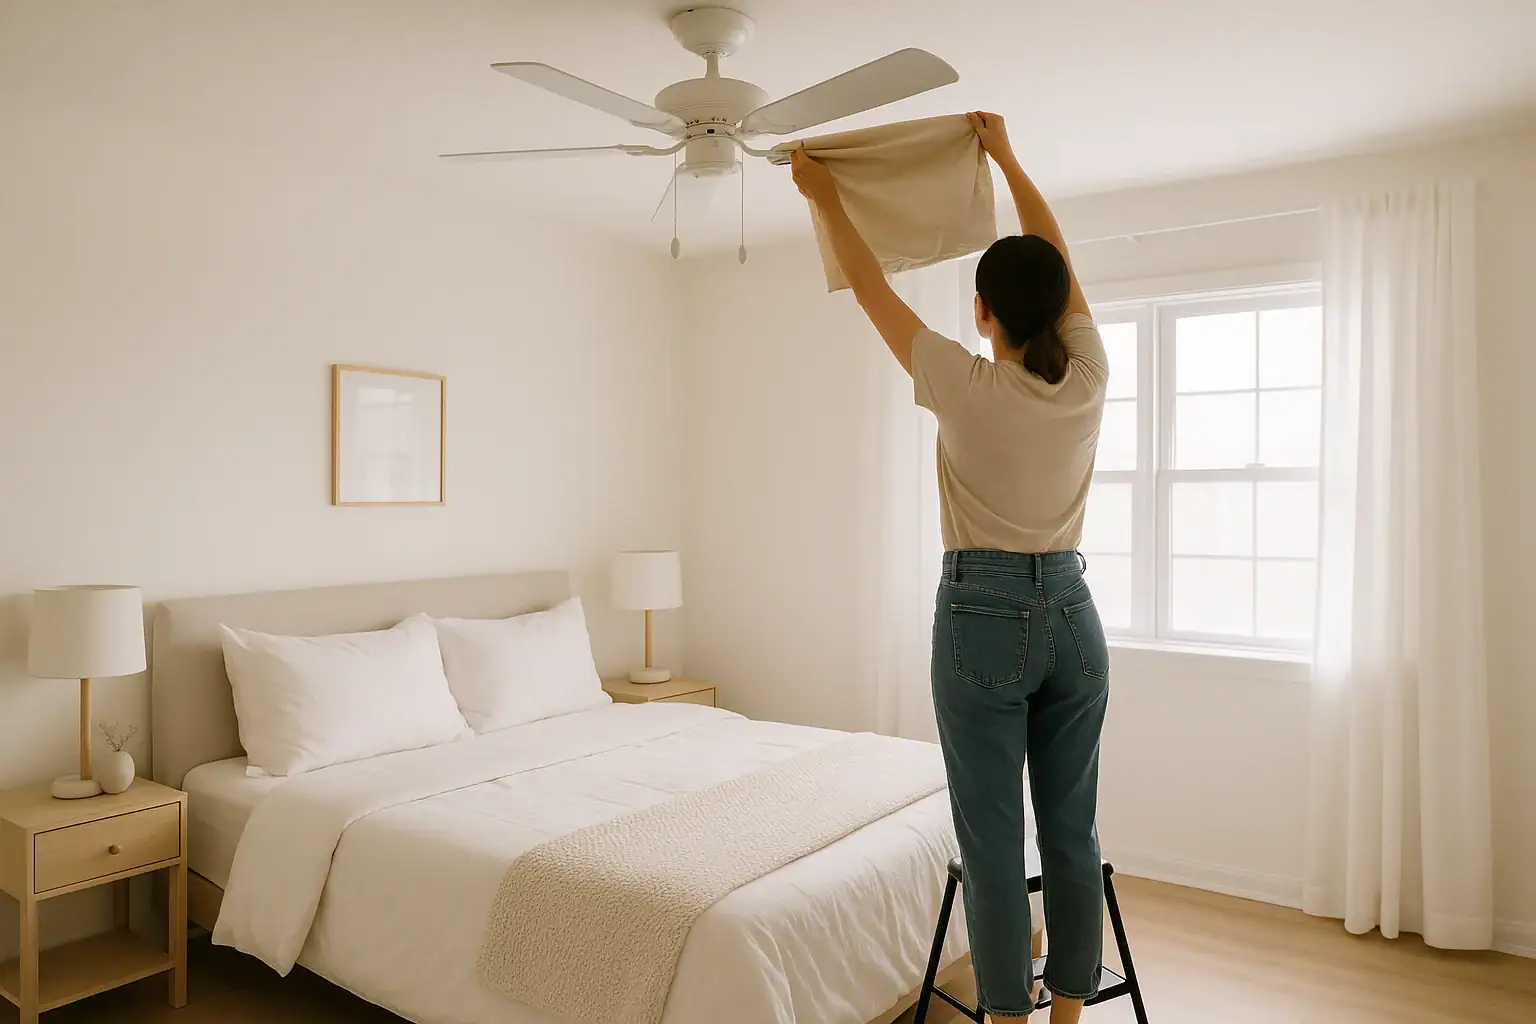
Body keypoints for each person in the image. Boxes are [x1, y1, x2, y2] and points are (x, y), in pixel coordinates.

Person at [791, 112, 1110, 1023]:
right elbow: (1057, 254)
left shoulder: (962, 384)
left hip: (985, 618)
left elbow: (866, 287)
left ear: (981, 311)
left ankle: (1005, 1014)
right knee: (1072, 829)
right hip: (1076, 615)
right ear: (1059, 310)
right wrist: (1009, 154)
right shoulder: (1087, 375)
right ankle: (1067, 1011)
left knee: (993, 836)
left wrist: (824, 196)